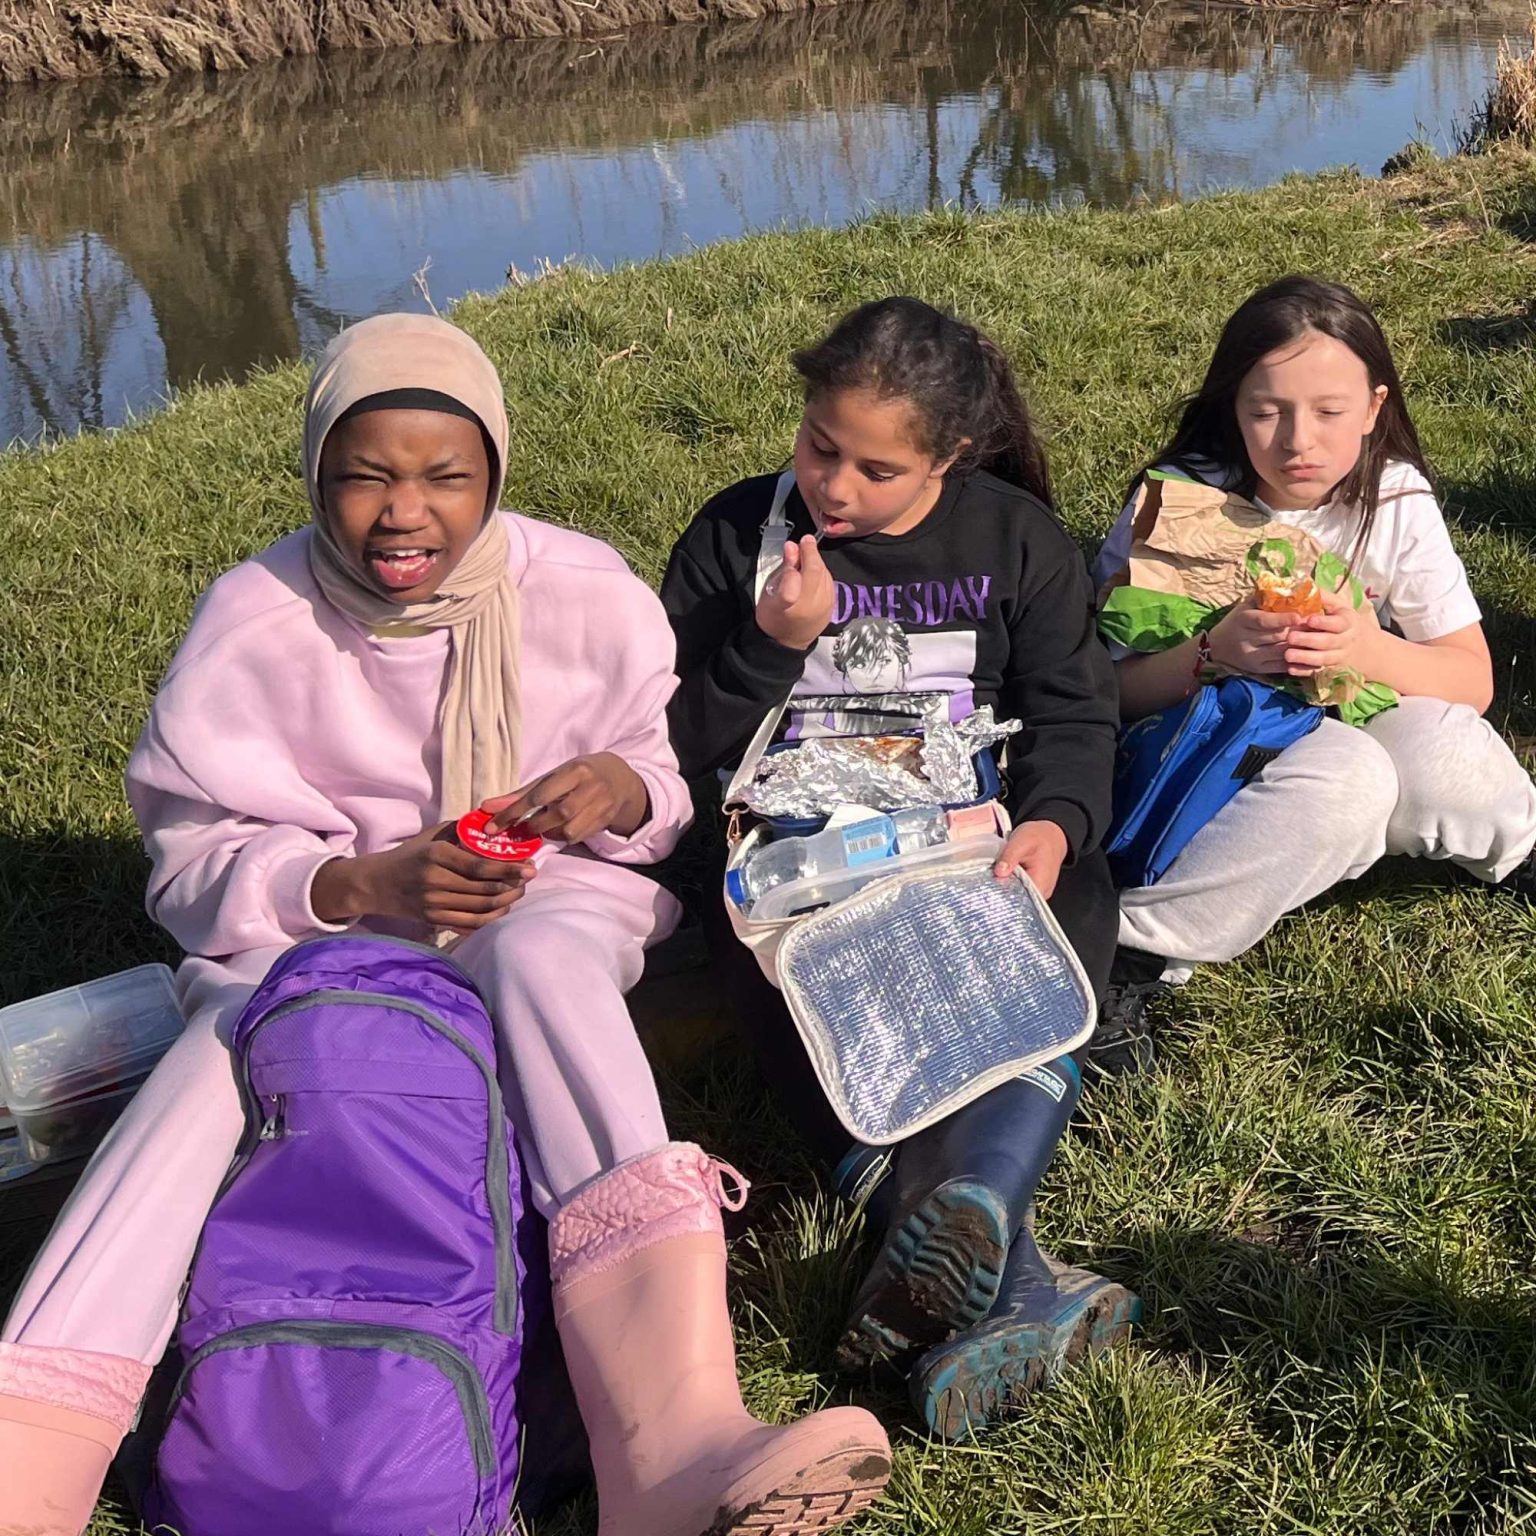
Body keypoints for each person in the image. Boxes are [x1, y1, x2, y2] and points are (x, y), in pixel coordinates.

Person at [0, 314, 890, 1536]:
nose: (404, 513)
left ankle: (674, 1435)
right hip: (308, 940)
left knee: (545, 966)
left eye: (446, 477)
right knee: (211, 1066)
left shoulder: (581, 590)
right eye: (364, 476)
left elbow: (658, 779)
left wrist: (618, 790)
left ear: (495, 475)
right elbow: (191, 868)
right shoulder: (254, 621)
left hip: (545, 898)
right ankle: (28, 1461)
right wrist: (360, 886)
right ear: (316, 473)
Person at [661, 296, 1140, 1439]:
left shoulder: (1015, 541)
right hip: (793, 863)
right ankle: (1005, 1265)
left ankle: (957, 1213)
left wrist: (1054, 823)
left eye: (877, 470)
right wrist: (771, 645)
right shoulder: (735, 536)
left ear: (951, 455)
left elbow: (1076, 715)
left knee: (1071, 902)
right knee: (780, 969)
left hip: (970, 841)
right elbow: (668, 740)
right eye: (819, 446)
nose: (834, 487)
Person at [1092, 276, 1536, 1065]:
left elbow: (1471, 680)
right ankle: (1137, 951)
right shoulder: (1178, 505)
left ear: (1373, 407)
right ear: (1232, 406)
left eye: (1330, 412)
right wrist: (1212, 652)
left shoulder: (1392, 495)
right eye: (1267, 412)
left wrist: (1365, 648)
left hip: (1359, 712)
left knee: (1443, 750)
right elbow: (1105, 694)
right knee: (1352, 775)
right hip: (1231, 744)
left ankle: (1517, 849)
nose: (1299, 441)